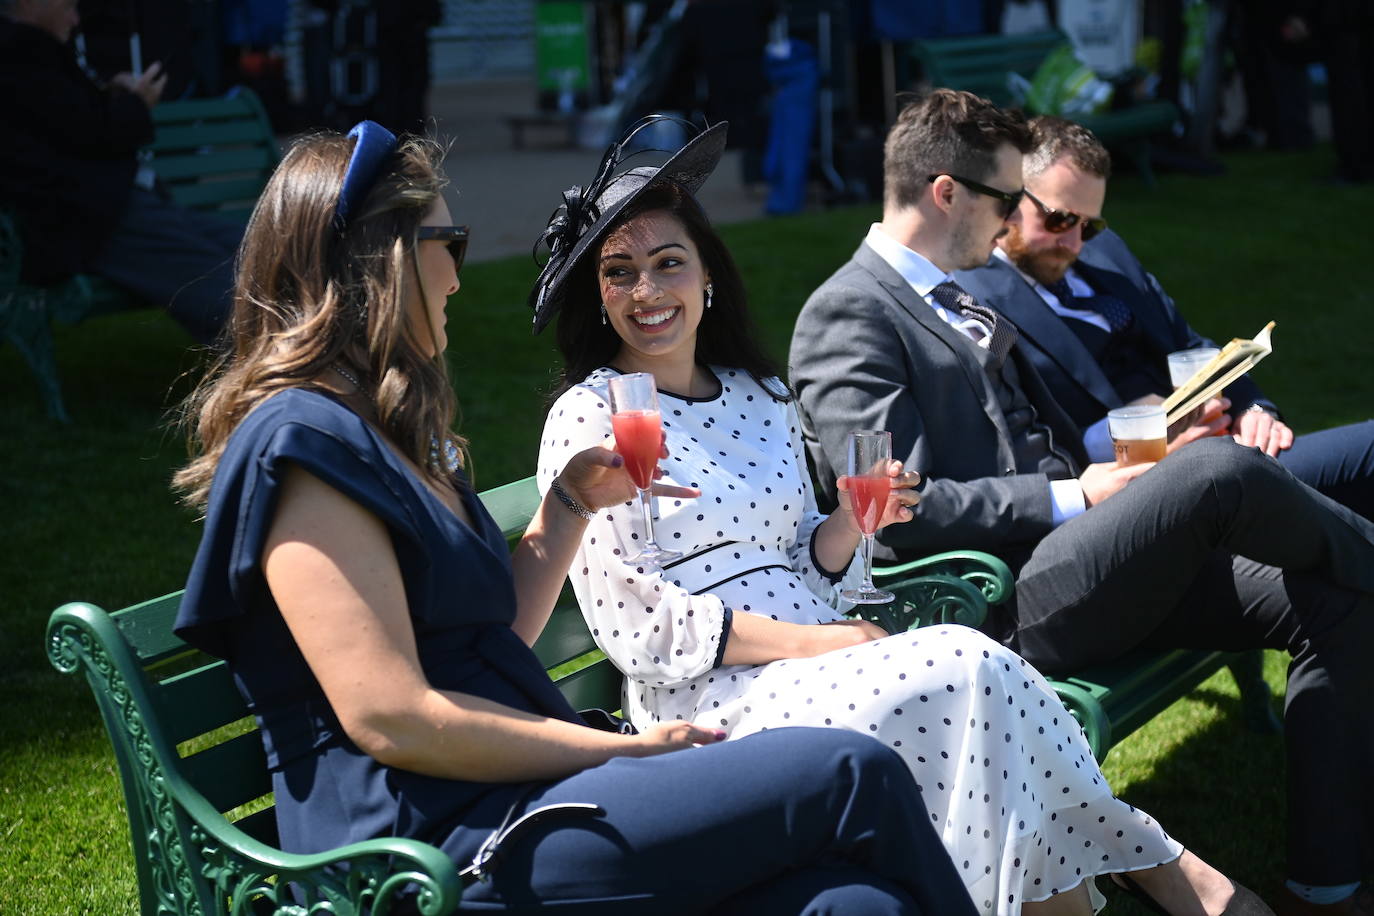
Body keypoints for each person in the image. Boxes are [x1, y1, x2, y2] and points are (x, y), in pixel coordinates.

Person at [168, 119, 982, 915]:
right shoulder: (300, 447)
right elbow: (390, 717)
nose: (459, 274)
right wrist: (620, 750)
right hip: (427, 846)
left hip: (517, 797)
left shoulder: (388, 435)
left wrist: (566, 508)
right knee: (852, 772)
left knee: (855, 900)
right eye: (448, 245)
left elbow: (496, 639)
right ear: (380, 263)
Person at [531, 116, 1269, 916]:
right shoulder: (589, 420)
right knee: (964, 666)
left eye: (668, 262)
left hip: (814, 663)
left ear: (707, 275)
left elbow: (798, 560)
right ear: (598, 297)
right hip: (710, 701)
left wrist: (847, 528)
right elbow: (641, 625)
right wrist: (825, 639)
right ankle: (1152, 860)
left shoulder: (759, 394)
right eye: (619, 272)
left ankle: (1102, 883)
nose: (647, 291)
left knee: (977, 689)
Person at [789, 88, 1374, 916]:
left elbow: (1059, 431)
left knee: (1336, 597)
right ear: (946, 192)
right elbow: (893, 507)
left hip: (1097, 556)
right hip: (1008, 601)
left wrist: (1141, 451)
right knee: (1218, 477)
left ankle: (1328, 887)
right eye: (1003, 199)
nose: (1009, 224)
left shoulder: (956, 288)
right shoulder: (847, 311)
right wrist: (1073, 494)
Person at [953, 115, 1374, 521]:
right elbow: (1022, 449)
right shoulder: (975, 300)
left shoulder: (1107, 252)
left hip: (1229, 447)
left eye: (1089, 225)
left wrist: (1254, 409)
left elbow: (1190, 347)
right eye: (1060, 219)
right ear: (1009, 199)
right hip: (1150, 493)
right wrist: (1152, 446)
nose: (1076, 243)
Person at [0, 0, 239, 345]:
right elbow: (91, 135)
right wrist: (136, 104)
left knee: (255, 250)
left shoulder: (28, 52)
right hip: (92, 220)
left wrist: (114, 98)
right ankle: (289, 368)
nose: (75, 17)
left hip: (111, 208)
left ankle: (301, 354)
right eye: (68, 5)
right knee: (226, 287)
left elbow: (66, 125)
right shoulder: (20, 52)